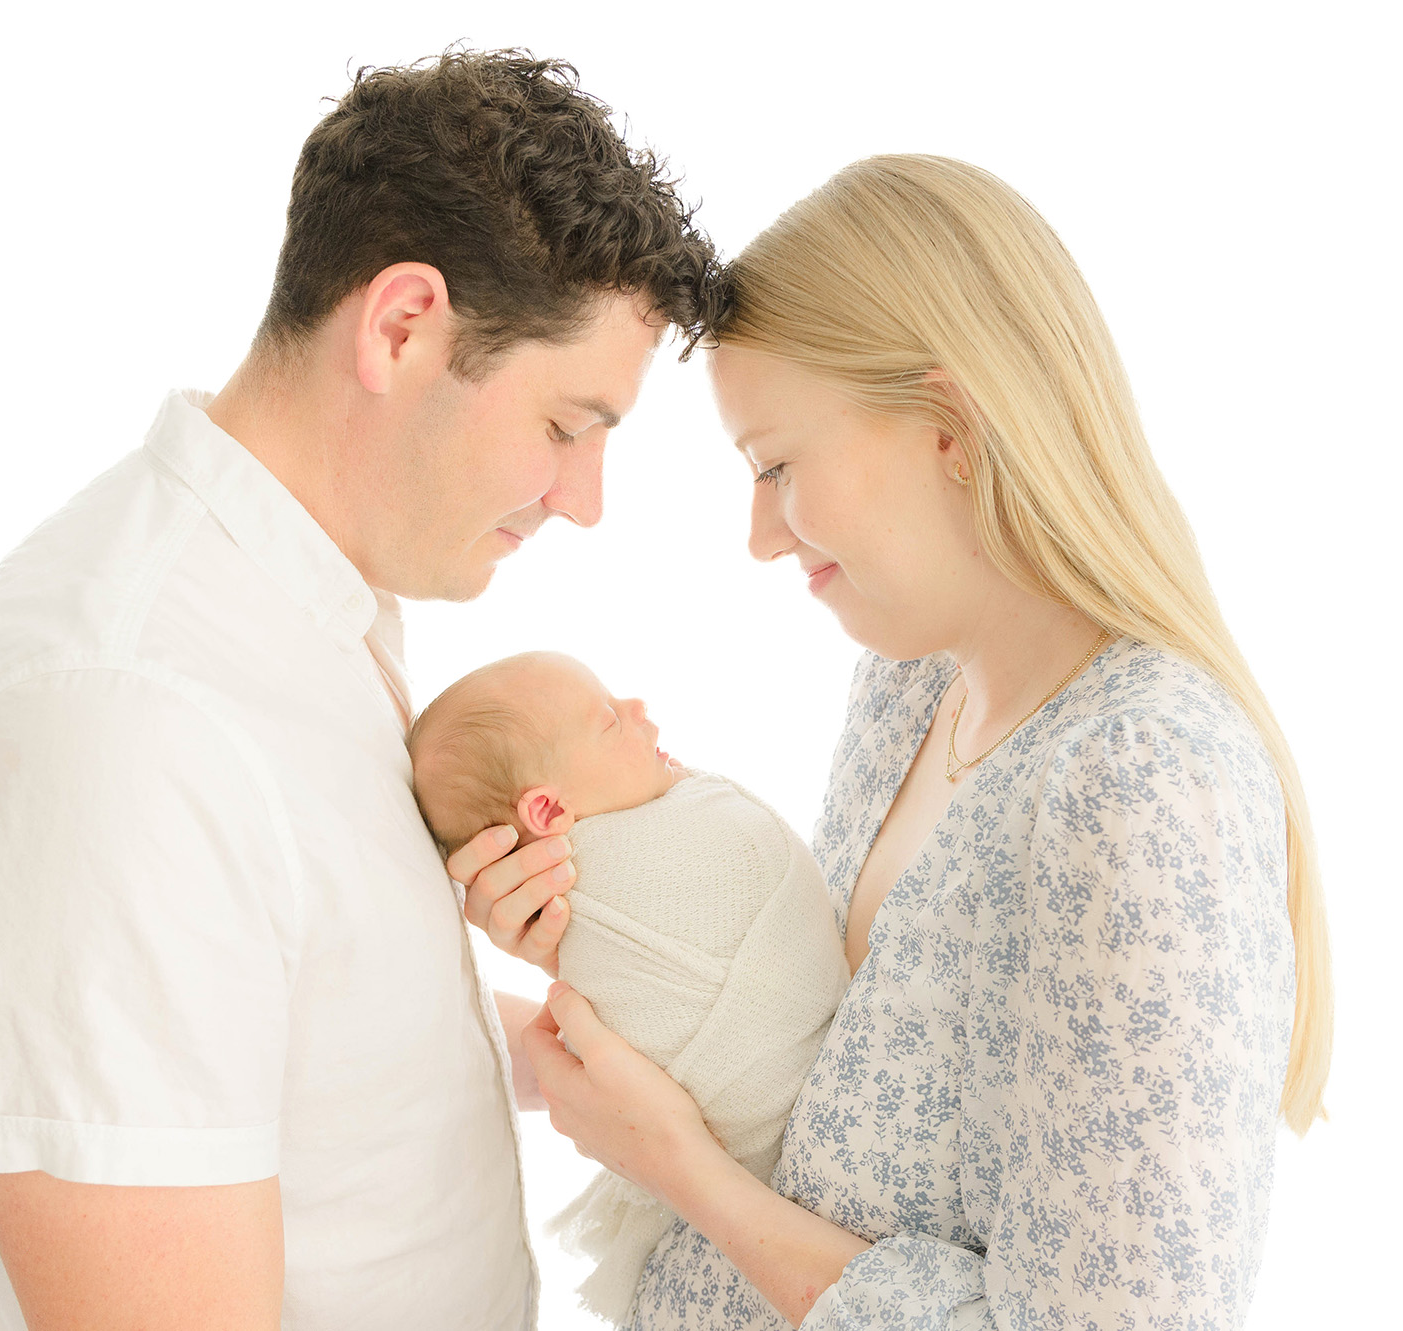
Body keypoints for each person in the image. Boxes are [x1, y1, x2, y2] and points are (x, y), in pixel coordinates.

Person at [0, 49, 715, 1330]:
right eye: (564, 426)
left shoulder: (302, 608)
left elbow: (252, 1019)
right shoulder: (123, 718)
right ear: (399, 326)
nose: (584, 501)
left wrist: (528, 1042)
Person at [445, 155, 1334, 1328]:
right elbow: (813, 1102)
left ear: (950, 427)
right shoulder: (909, 694)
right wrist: (598, 947)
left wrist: (681, 1173)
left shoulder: (1140, 783)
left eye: (775, 466)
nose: (760, 535)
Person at [408, 651, 849, 1324]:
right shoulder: (606, 880)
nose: (640, 710)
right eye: (611, 719)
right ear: (549, 807)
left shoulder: (634, 861)